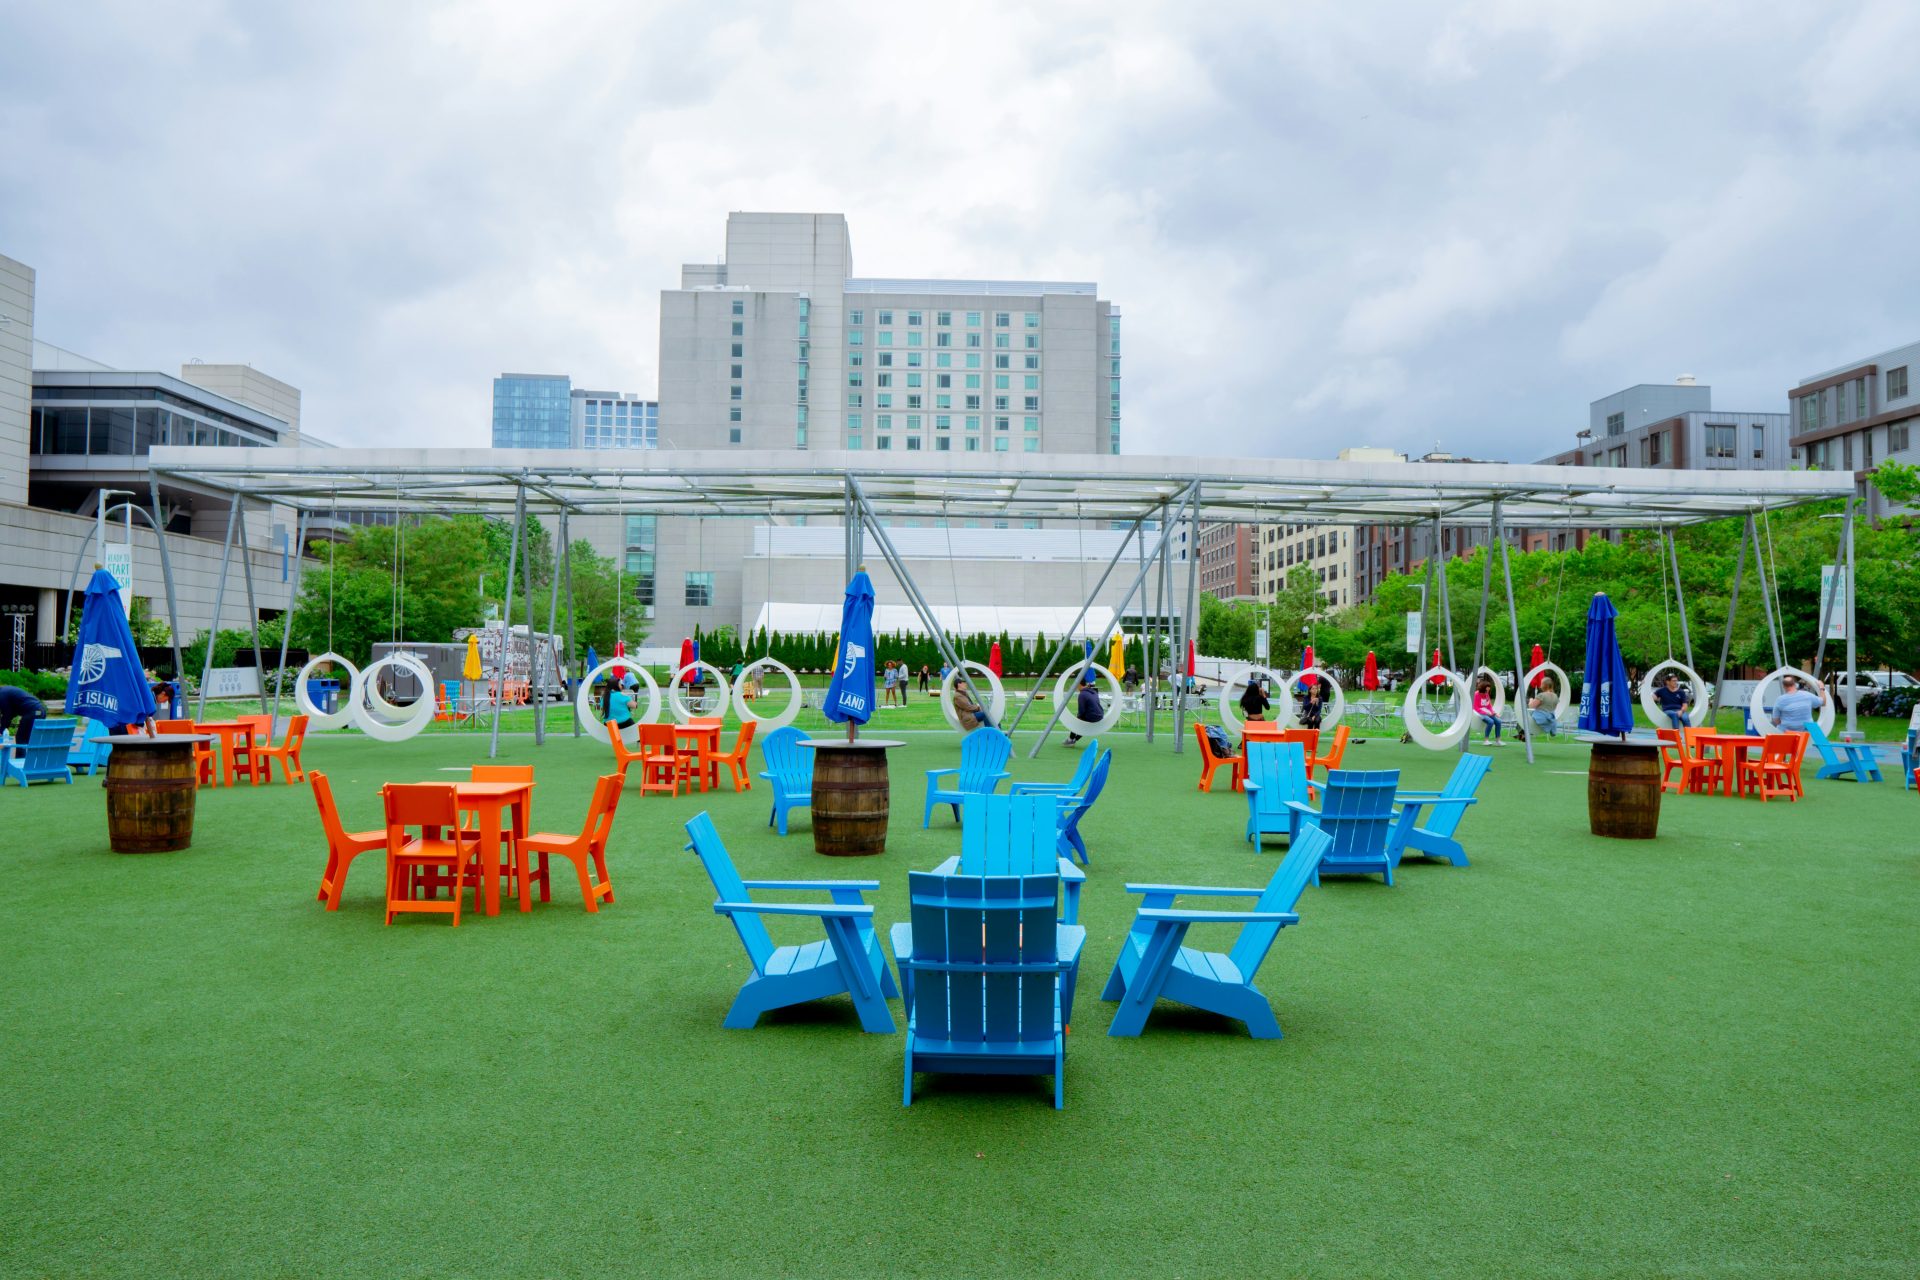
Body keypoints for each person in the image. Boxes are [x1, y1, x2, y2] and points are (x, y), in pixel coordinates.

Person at [0, 683, 47, 747]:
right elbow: (11, 713)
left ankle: (20, 757)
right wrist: (4, 728)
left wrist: (1, 730)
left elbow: (7, 714)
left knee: (21, 738)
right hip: (40, 711)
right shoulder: (6, 691)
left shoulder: (2, 694)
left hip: (33, 712)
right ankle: (29, 756)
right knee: (30, 739)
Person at [1064, 672, 1103, 748]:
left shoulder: (1082, 694)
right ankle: (1073, 740)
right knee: (1082, 723)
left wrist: (1078, 718)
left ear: (1079, 684)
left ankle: (1071, 740)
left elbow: (1081, 710)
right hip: (1100, 715)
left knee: (1078, 721)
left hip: (1092, 716)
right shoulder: (1093, 691)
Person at [1473, 676, 1503, 746]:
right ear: (1483, 688)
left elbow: (1489, 706)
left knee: (1498, 721)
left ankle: (1498, 740)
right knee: (1490, 721)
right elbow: (1476, 708)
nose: (1488, 690)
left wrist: (1493, 713)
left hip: (1486, 712)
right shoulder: (1476, 695)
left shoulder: (1486, 694)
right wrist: (1487, 713)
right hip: (1479, 712)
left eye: (1489, 689)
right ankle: (1486, 740)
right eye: (1487, 689)